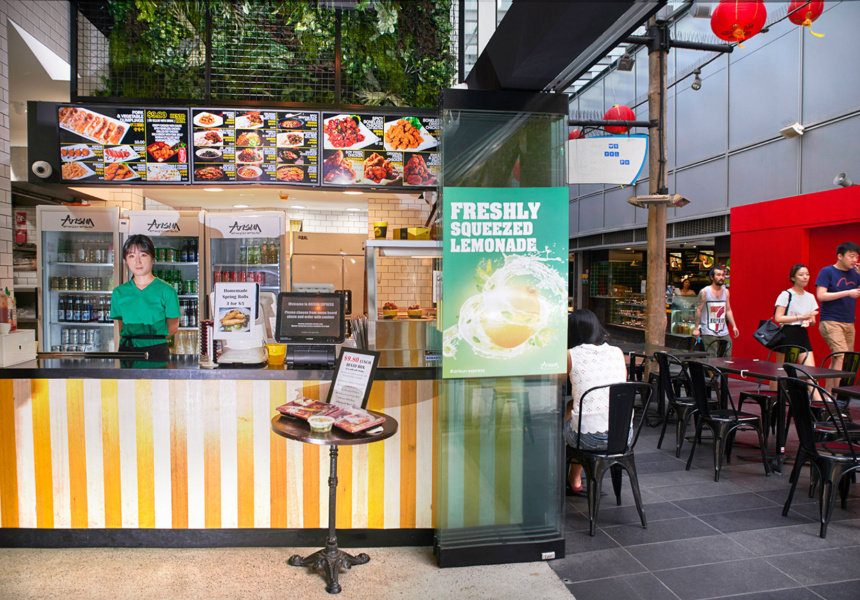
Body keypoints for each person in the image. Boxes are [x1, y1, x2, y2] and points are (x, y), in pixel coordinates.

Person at [564, 309, 628, 494]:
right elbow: (619, 384)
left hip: (589, 439)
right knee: (576, 407)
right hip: (623, 435)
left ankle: (568, 473)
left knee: (572, 411)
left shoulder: (571, 354)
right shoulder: (617, 352)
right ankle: (575, 477)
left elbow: (556, 380)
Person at [110, 234, 180, 365]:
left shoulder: (167, 291)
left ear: (153, 258)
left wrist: (148, 340)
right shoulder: (119, 293)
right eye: (131, 256)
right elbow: (121, 328)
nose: (137, 261)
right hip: (127, 351)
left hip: (157, 350)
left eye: (143, 255)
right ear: (126, 260)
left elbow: (173, 327)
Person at [815, 241, 860, 389]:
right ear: (840, 256)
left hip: (849, 322)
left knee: (841, 358)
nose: (855, 260)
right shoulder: (827, 271)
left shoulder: (855, 273)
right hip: (831, 321)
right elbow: (821, 295)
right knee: (841, 355)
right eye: (851, 256)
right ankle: (837, 394)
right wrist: (847, 292)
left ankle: (829, 393)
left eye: (857, 257)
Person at [773, 264, 819, 365]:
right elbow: (778, 318)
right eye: (801, 275)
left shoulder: (810, 297)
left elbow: (813, 322)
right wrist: (800, 317)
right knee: (782, 370)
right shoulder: (786, 295)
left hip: (802, 333)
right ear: (793, 278)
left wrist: (809, 319)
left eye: (807, 274)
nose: (805, 277)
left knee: (810, 369)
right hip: (787, 333)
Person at [692, 266, 739, 357]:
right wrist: (696, 328)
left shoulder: (726, 292)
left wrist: (734, 326)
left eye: (723, 275)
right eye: (718, 275)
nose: (721, 277)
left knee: (727, 351)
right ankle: (711, 367)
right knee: (712, 356)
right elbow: (699, 310)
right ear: (712, 277)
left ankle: (722, 367)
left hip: (722, 329)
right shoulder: (704, 292)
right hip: (708, 329)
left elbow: (728, 310)